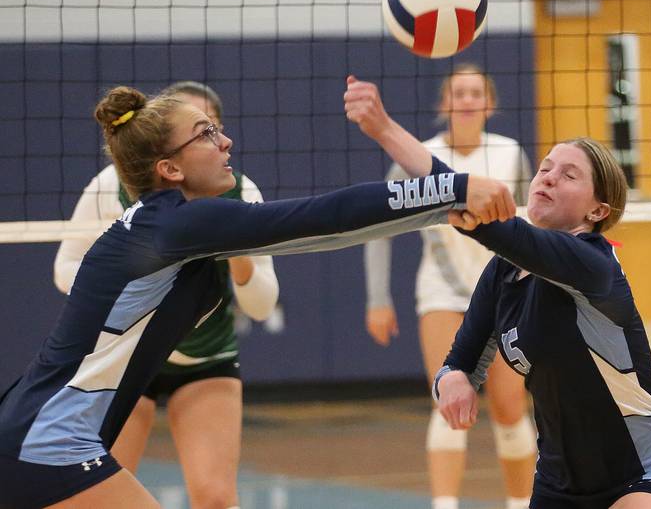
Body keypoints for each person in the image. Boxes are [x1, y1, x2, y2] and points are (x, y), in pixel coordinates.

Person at [0, 84, 516, 509]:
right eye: (206, 134)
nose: (226, 143)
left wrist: (440, 207)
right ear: (170, 169)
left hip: (40, 431)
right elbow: (322, 216)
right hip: (49, 439)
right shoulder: (175, 222)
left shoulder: (178, 225)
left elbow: (318, 236)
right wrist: (451, 190)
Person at [345, 76, 651, 509]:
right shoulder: (502, 276)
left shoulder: (592, 264)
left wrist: (385, 130)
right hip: (559, 485)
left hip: (648, 471)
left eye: (568, 175)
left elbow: (485, 222)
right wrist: (452, 381)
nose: (548, 178)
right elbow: (459, 363)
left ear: (598, 209)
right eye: (546, 168)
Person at [52, 81, 279, 509]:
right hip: (127, 359)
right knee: (100, 495)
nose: (216, 141)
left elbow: (262, 305)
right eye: (199, 130)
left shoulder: (239, 191)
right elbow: (65, 268)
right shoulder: (111, 186)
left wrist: (241, 257)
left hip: (205, 358)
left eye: (213, 129)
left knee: (215, 498)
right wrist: (122, 285)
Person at [362, 64, 536, 509]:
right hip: (442, 293)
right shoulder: (418, 155)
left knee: (509, 409)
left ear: (489, 104)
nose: (466, 100)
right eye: (458, 92)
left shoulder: (510, 153)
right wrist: (379, 299)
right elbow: (377, 225)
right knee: (450, 399)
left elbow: (532, 225)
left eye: (475, 92)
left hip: (502, 291)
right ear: (446, 103)